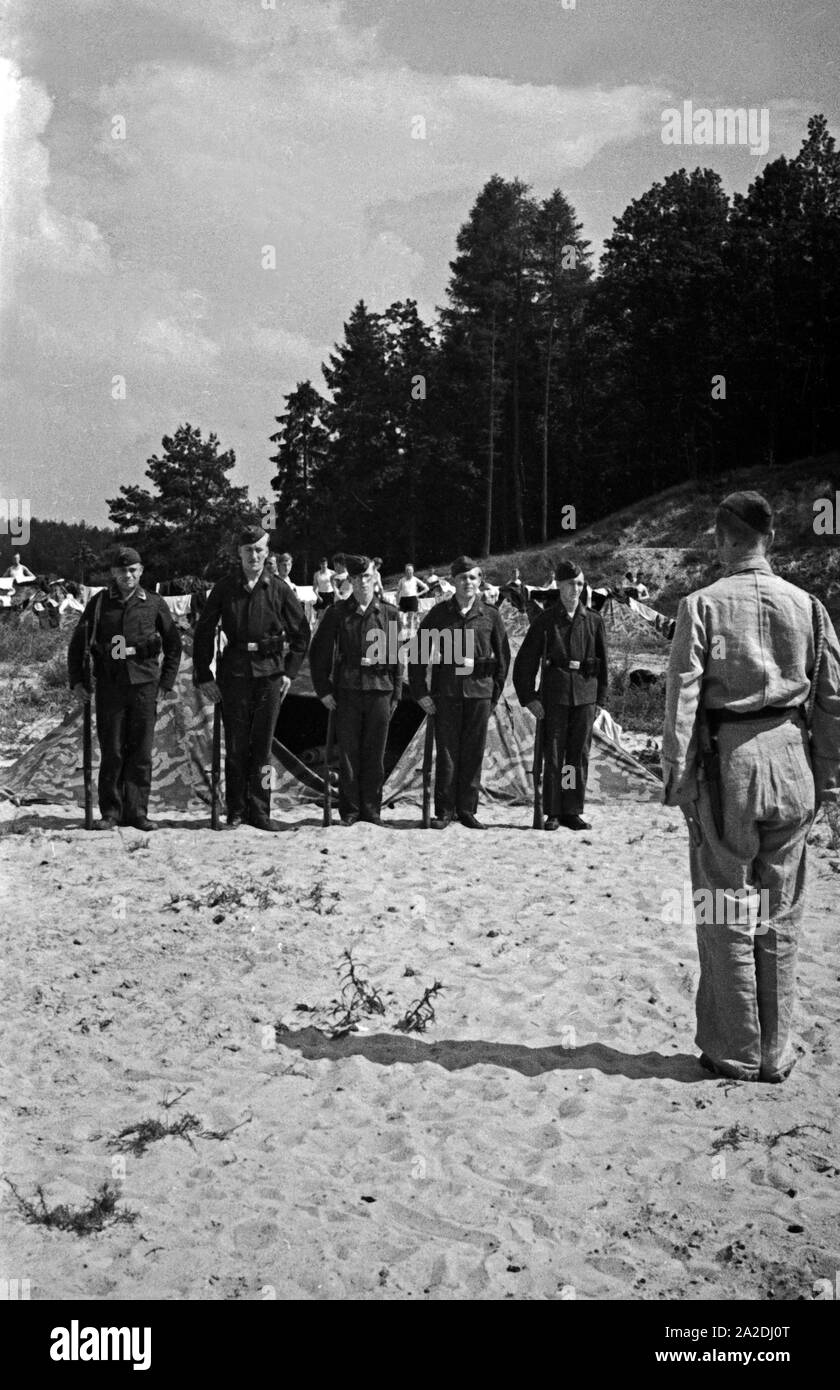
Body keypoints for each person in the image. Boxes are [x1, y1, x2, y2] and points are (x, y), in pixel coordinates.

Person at [662, 490, 840, 1083]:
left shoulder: (702, 605)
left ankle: (735, 1050)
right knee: (781, 910)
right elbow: (832, 698)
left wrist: (679, 778)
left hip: (729, 762)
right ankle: (776, 1050)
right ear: (770, 538)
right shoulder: (808, 605)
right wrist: (825, 776)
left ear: (721, 538)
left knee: (724, 907)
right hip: (793, 758)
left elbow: (684, 698)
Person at [194, 524, 310, 831]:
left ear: (267, 552)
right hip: (234, 676)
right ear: (239, 554)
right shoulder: (225, 587)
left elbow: (302, 634)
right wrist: (204, 674)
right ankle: (236, 809)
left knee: (263, 747)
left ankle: (261, 810)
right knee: (236, 746)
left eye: (259, 550)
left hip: (270, 676)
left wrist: (290, 673)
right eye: (248, 550)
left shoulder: (279, 588)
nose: (254, 556)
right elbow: (204, 630)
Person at [67, 546, 183, 831]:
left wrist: (166, 682)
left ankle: (138, 812)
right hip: (111, 686)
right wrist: (78, 681)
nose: (127, 575)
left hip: (144, 685)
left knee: (141, 752)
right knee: (113, 751)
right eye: (121, 571)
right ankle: (111, 812)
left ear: (141, 571)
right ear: (113, 573)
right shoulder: (100, 603)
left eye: (132, 570)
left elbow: (173, 645)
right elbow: (79, 643)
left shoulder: (153, 603)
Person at [408, 555, 510, 829]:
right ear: (453, 582)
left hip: (479, 695)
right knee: (447, 753)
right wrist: (421, 692)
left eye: (473, 577)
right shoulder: (439, 615)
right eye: (462, 577)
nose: (468, 582)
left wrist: (493, 695)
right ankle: (444, 810)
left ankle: (466, 809)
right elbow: (418, 653)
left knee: (473, 753)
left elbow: (502, 660)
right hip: (447, 695)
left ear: (480, 582)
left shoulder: (490, 615)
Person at [513, 558, 608, 831]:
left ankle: (571, 810)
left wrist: (600, 700)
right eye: (569, 584)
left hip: (585, 697)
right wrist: (530, 698)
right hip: (554, 698)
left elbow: (603, 662)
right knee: (554, 756)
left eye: (579, 584)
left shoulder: (593, 621)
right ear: (559, 586)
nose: (575, 589)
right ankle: (553, 810)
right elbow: (525, 663)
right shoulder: (545, 621)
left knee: (577, 757)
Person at [309, 554, 402, 826]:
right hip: (347, 692)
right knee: (349, 753)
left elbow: (397, 657)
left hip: (380, 690)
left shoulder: (389, 614)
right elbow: (319, 654)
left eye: (367, 576)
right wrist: (323, 690)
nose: (363, 582)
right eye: (357, 577)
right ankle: (350, 811)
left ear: (375, 579)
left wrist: (396, 692)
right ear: (349, 580)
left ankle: (372, 810)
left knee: (375, 752)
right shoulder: (337, 614)